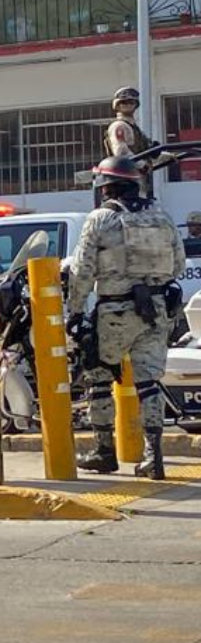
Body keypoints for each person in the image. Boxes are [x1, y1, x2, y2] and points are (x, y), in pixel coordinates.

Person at [67, 155, 185, 480]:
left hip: (115, 311)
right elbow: (178, 264)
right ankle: (153, 456)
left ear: (106, 187)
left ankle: (104, 451)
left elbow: (81, 272)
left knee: (98, 375)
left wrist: (74, 311)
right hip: (157, 310)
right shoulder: (161, 217)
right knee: (149, 382)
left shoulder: (101, 219)